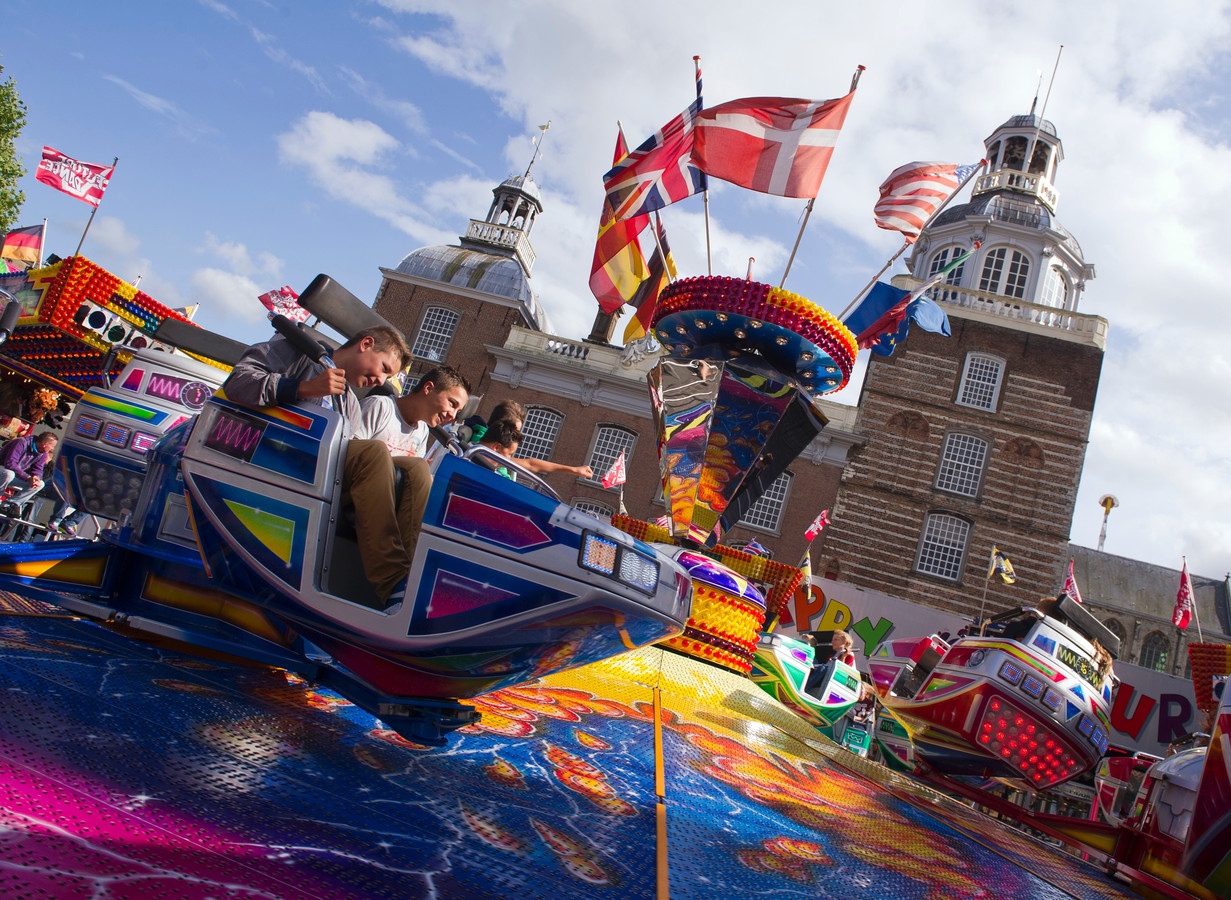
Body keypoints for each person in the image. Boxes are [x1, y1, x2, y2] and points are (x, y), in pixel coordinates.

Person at [222, 325, 423, 607]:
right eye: (384, 368)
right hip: (273, 459)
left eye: (387, 377)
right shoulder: (298, 353)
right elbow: (237, 382)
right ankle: (392, 578)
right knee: (373, 450)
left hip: (322, 479)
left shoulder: (350, 404)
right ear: (366, 344)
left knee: (417, 470)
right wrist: (304, 388)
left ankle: (410, 576)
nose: (380, 381)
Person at [357, 366, 471, 458]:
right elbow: (350, 451)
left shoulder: (422, 430)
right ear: (428, 388)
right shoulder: (380, 407)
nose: (453, 415)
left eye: (458, 411)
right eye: (452, 404)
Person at [471, 400, 594, 479]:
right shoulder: (485, 450)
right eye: (514, 430)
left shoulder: (494, 452)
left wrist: (573, 470)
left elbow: (531, 463)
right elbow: (530, 464)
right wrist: (572, 470)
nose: (515, 435)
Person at [0, 432, 58, 515]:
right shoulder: (21, 442)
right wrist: (27, 478)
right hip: (3, 469)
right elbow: (10, 464)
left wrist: (36, 479)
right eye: (52, 446)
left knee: (40, 484)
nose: (52, 449)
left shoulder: (43, 454)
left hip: (14, 475)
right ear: (44, 444)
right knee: (9, 474)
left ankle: (9, 505)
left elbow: (38, 470)